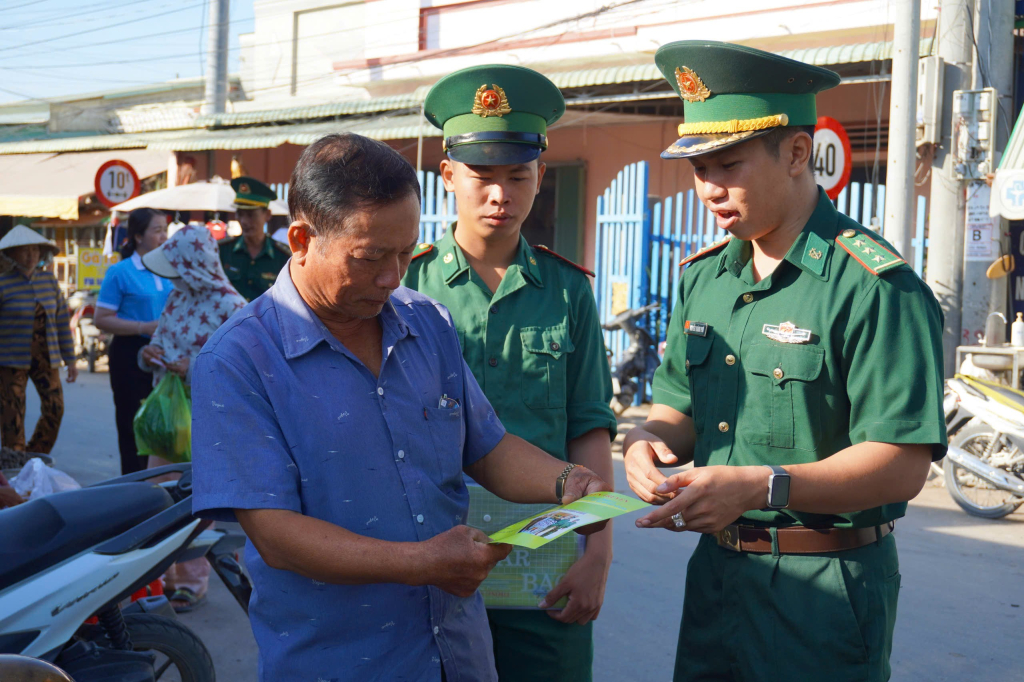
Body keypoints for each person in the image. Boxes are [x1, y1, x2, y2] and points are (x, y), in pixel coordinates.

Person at [190, 133, 612, 682]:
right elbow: (275, 534)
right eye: (370, 257)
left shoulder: (427, 322)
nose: (392, 277)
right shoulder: (237, 359)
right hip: (338, 663)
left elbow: (487, 447)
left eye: (405, 252)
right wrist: (421, 564)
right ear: (301, 239)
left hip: (459, 654)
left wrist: (566, 481)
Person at [622, 42, 946, 682]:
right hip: (717, 578)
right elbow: (676, 408)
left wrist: (762, 485)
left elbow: (903, 464)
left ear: (797, 153)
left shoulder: (875, 286)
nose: (709, 188)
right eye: (698, 168)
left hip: (823, 589)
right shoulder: (705, 279)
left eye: (728, 164)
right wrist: (644, 443)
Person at [404, 64, 617, 682]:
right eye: (482, 176)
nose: (500, 194)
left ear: (540, 177)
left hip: (545, 554)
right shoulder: (406, 283)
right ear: (448, 176)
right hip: (429, 552)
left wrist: (598, 551)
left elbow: (588, 425)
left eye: (518, 176)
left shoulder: (568, 290)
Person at [138, 223, 248, 613]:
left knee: (196, 501)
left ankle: (190, 581)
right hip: (169, 419)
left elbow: (241, 367)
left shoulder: (233, 306)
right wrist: (149, 354)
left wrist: (193, 367)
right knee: (160, 496)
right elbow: (160, 339)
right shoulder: (177, 297)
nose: (173, 276)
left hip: (208, 419)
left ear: (194, 265)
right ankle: (159, 576)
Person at [94, 208, 171, 475]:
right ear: (138, 236)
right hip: (130, 353)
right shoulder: (121, 272)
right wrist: (143, 326)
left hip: (164, 354)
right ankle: (134, 488)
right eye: (157, 230)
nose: (164, 236)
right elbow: (101, 318)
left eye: (165, 230)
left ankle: (162, 485)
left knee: (164, 426)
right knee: (132, 426)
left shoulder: (169, 269)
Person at [0, 226, 77, 455]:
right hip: (11, 360)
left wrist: (71, 359)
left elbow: (62, 322)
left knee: (55, 408)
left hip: (46, 357)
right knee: (12, 416)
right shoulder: (3, 284)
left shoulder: (49, 281)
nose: (31, 255)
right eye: (24, 250)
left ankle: (35, 454)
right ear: (11, 254)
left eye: (35, 250)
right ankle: (14, 459)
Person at [219, 177, 289, 301]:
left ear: (267, 215)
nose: (244, 221)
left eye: (251, 215)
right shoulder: (222, 251)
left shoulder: (283, 256)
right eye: (240, 214)